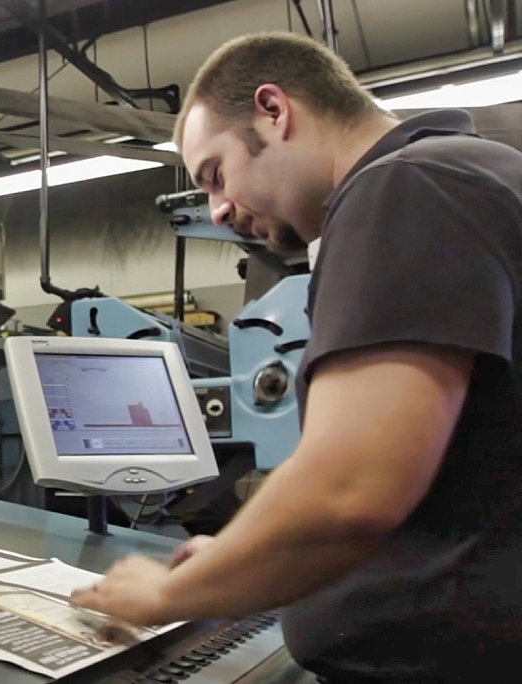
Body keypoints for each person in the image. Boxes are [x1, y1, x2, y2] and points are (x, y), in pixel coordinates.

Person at [70, 31, 522, 682]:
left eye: (215, 174)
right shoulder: (463, 172)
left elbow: (350, 489)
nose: (218, 210)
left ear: (273, 111)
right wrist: (243, 558)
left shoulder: (405, 187)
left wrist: (167, 596)